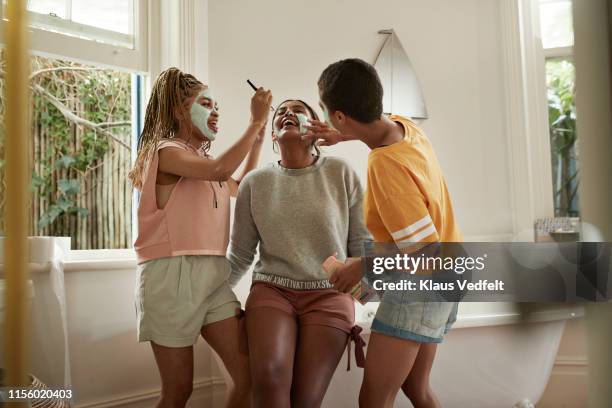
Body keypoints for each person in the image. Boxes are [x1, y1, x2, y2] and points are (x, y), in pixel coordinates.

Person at [303, 58, 462, 408]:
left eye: (325, 111)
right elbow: (376, 128)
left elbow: (423, 250)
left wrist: (359, 267)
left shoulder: (385, 166)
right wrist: (341, 134)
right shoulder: (404, 128)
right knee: (416, 390)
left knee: (375, 398)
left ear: (341, 115)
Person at [129, 67, 272, 408]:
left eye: (216, 105)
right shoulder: (165, 152)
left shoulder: (202, 161)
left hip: (213, 276)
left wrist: (258, 138)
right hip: (169, 276)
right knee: (178, 390)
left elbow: (240, 184)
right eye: (206, 104)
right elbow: (221, 171)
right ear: (179, 111)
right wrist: (252, 123)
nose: (216, 111)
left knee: (247, 376)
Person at [227, 99, 371, 408]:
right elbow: (240, 254)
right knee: (268, 377)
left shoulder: (340, 172)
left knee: (306, 399)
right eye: (281, 112)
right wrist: (211, 295)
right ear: (275, 135)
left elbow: (360, 244)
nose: (287, 114)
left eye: (298, 109)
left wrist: (373, 296)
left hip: (331, 294)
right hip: (272, 291)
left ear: (317, 127)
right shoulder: (255, 183)